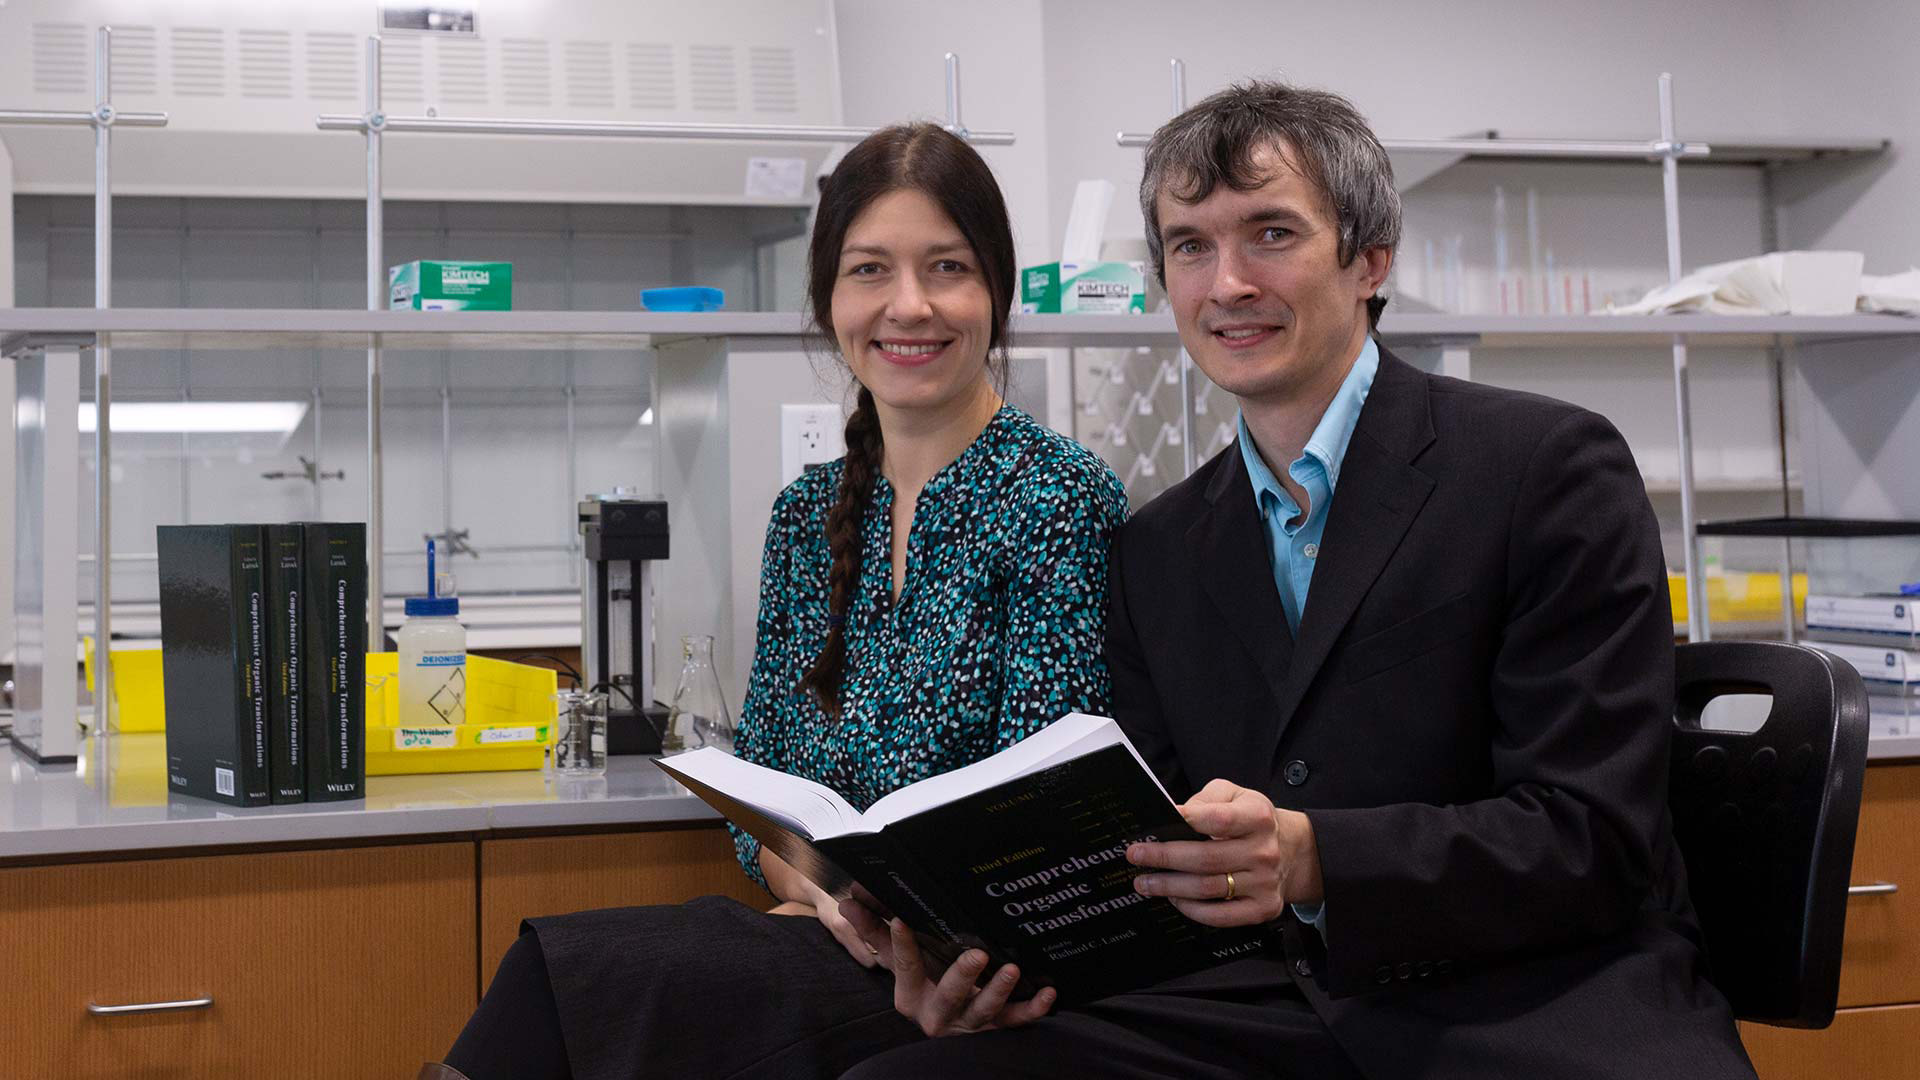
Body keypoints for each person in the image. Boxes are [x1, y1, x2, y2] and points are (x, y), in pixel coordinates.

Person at [825, 82, 1760, 1078]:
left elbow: (1593, 838)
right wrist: (986, 968)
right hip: (1274, 1009)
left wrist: (1317, 858)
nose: (1226, 283)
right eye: (1190, 246)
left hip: (1536, 1010)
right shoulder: (1157, 551)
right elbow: (1150, 869)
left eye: (1270, 233)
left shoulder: (1544, 470)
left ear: (1370, 257)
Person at [426, 123, 1128, 1080]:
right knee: (558, 980)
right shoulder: (808, 517)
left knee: (568, 984)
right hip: (835, 944)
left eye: (947, 267)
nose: (909, 305)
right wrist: (829, 895)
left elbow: (1048, 818)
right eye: (870, 270)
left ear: (995, 291)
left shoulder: (1059, 499)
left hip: (978, 992)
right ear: (829, 299)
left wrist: (891, 930)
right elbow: (763, 793)